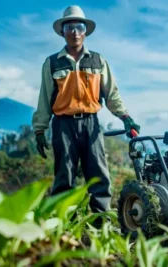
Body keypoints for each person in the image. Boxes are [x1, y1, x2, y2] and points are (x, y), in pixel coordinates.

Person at [31, 5, 140, 216]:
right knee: (65, 174)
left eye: (79, 27)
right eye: (69, 27)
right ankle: (66, 220)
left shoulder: (98, 61)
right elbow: (44, 98)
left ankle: (101, 220)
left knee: (98, 171)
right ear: (62, 32)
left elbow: (111, 94)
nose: (74, 32)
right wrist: (39, 129)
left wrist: (125, 117)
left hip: (91, 123)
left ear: (85, 31)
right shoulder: (52, 63)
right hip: (63, 124)